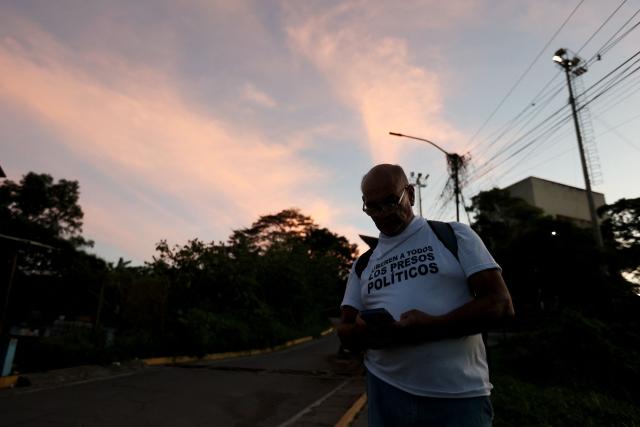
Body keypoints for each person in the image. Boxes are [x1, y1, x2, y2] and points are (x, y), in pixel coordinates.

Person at [337, 164, 514, 426]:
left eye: (390, 201)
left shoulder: (453, 235)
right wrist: (365, 333)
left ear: (410, 194)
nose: (383, 214)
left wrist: (432, 326)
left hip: (457, 398)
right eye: (372, 207)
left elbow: (501, 305)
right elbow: (346, 328)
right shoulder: (363, 264)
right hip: (385, 394)